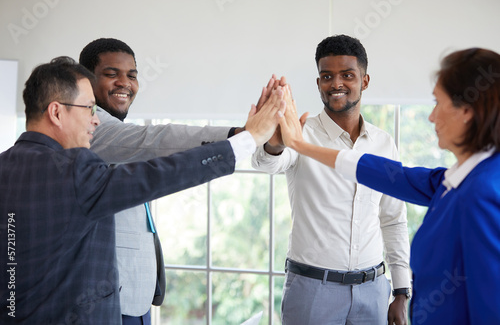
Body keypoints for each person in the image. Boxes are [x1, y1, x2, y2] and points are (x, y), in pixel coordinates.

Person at [0, 56, 285, 324]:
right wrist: (247, 140)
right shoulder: (76, 170)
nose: (96, 120)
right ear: (56, 112)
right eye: (89, 108)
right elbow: (157, 175)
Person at [278, 47, 500, 324]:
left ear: (466, 111)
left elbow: (491, 305)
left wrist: (400, 291)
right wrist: (299, 145)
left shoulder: (481, 193)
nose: (431, 116)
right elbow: (388, 174)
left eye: (437, 103)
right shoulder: (455, 181)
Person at [78, 38, 286, 324]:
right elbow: (152, 140)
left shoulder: (112, 129)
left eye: (132, 75)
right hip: (108, 299)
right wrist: (240, 134)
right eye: (112, 74)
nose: (125, 83)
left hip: (134, 295)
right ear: (86, 81)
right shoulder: (91, 126)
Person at [252, 35, 411, 325]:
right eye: (327, 76)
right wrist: (274, 143)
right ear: (318, 83)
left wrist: (401, 290)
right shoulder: (300, 134)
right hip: (312, 291)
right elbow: (268, 162)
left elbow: (393, 218)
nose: (336, 84)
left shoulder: (383, 144)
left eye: (347, 75)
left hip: (373, 291)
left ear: (364, 81)